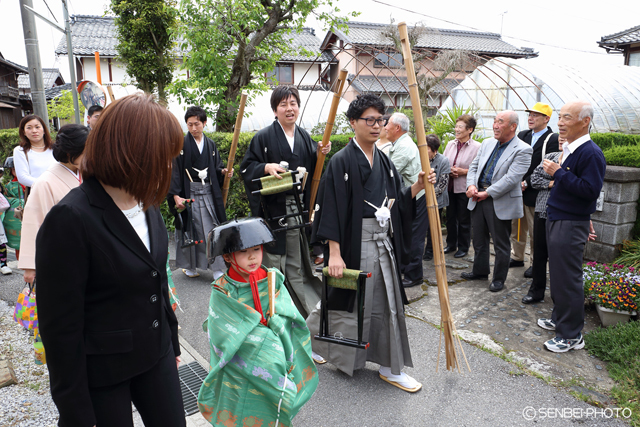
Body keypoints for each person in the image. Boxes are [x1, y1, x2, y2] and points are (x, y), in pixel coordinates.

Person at [36, 93, 186, 426]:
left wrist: (171, 340)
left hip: (156, 352)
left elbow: (156, 280)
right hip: (103, 370)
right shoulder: (71, 218)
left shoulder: (147, 204)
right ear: (134, 153)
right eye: (164, 156)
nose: (169, 166)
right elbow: (60, 328)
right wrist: (75, 409)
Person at [306, 94, 434, 392]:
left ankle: (390, 366)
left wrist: (416, 185)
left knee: (385, 304)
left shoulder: (385, 160)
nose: (377, 126)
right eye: (370, 120)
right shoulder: (341, 161)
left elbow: (396, 201)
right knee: (343, 302)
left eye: (381, 120)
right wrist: (333, 253)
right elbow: (332, 208)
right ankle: (309, 340)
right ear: (353, 122)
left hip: (381, 243)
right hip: (353, 243)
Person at [198, 217, 318, 426]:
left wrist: (276, 328)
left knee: (274, 400)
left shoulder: (273, 278)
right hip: (239, 357)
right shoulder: (222, 289)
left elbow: (288, 313)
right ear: (228, 256)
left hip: (275, 356)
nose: (252, 257)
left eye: (256, 249)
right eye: (243, 251)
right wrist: (260, 335)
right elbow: (221, 327)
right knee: (240, 405)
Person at [240, 86, 330, 318]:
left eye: (293, 104)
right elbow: (246, 168)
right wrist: (265, 167)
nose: (289, 109)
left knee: (297, 262)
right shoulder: (263, 137)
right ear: (275, 110)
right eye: (283, 104)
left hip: (298, 210)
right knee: (274, 264)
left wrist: (322, 152)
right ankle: (273, 310)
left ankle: (301, 310)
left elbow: (314, 169)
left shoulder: (304, 136)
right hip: (273, 211)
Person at [538, 101, 605, 353]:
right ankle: (559, 318)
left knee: (568, 279)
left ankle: (571, 335)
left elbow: (590, 191)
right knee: (558, 274)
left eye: (567, 117)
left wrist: (558, 172)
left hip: (569, 222)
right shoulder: (571, 149)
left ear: (584, 121)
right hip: (560, 217)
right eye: (560, 117)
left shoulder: (590, 152)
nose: (560, 123)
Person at [462, 111, 532, 292]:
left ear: (512, 127)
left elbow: (512, 178)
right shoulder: (487, 143)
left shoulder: (523, 149)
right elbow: (474, 166)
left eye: (500, 122)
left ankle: (499, 279)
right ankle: (480, 270)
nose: (495, 125)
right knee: (478, 239)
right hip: (477, 196)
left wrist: (488, 193)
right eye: (494, 121)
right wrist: (471, 185)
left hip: (499, 199)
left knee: (501, 243)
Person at [18, 124, 89, 286]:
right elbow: (33, 222)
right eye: (88, 150)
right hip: (61, 253)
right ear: (71, 152)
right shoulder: (45, 182)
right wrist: (31, 266)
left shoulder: (87, 174)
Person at [168, 106, 230, 279]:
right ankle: (190, 266)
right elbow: (174, 171)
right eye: (190, 125)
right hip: (189, 193)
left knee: (211, 229)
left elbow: (216, 167)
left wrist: (223, 172)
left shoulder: (210, 144)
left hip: (207, 192)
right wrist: (175, 195)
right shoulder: (180, 145)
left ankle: (217, 267)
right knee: (189, 231)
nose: (193, 128)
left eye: (197, 124)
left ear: (204, 123)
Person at [509, 103, 560, 277]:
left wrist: (527, 183)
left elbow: (545, 166)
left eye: (535, 115)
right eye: (530, 115)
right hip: (517, 189)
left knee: (535, 230)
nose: (530, 118)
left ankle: (534, 263)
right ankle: (517, 256)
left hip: (535, 191)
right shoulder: (522, 135)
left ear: (546, 119)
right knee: (517, 226)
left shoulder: (552, 139)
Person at [385, 112, 427, 288]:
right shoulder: (398, 143)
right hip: (408, 195)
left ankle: (414, 274)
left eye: (387, 124)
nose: (384, 127)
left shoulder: (404, 147)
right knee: (407, 234)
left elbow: (388, 170)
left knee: (415, 237)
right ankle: (406, 269)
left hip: (416, 196)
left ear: (397, 128)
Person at [522, 137, 565, 304]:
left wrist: (556, 179)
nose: (562, 141)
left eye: (565, 138)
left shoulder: (576, 159)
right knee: (539, 252)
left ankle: (558, 296)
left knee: (558, 258)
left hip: (562, 214)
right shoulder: (551, 157)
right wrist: (553, 183)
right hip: (542, 208)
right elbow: (535, 179)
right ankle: (536, 291)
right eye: (560, 138)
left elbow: (572, 182)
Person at [442, 114, 481, 258]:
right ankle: (451, 244)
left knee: (464, 219)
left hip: (465, 188)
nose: (456, 129)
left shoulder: (477, 147)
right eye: (456, 126)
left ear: (470, 129)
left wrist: (463, 171)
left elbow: (479, 168)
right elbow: (444, 161)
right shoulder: (450, 144)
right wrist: (449, 170)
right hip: (450, 186)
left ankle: (463, 247)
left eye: (460, 127)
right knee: (450, 217)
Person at [422, 134, 450, 261]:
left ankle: (430, 251)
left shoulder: (443, 161)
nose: (423, 151)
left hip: (436, 200)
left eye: (427, 148)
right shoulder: (420, 158)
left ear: (434, 149)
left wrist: (430, 195)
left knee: (432, 227)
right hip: (421, 197)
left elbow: (443, 184)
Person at [14, 115, 56, 188]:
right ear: (24, 132)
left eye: (37, 127)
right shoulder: (20, 151)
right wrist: (47, 185)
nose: (34, 131)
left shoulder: (55, 148)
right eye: (29, 128)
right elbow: (23, 177)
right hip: (38, 192)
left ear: (44, 130)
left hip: (61, 191)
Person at [2, 157, 25, 261]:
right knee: (19, 244)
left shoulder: (33, 181)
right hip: (16, 218)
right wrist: (22, 202)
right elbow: (6, 201)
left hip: (31, 215)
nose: (17, 171)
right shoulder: (9, 185)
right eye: (14, 169)